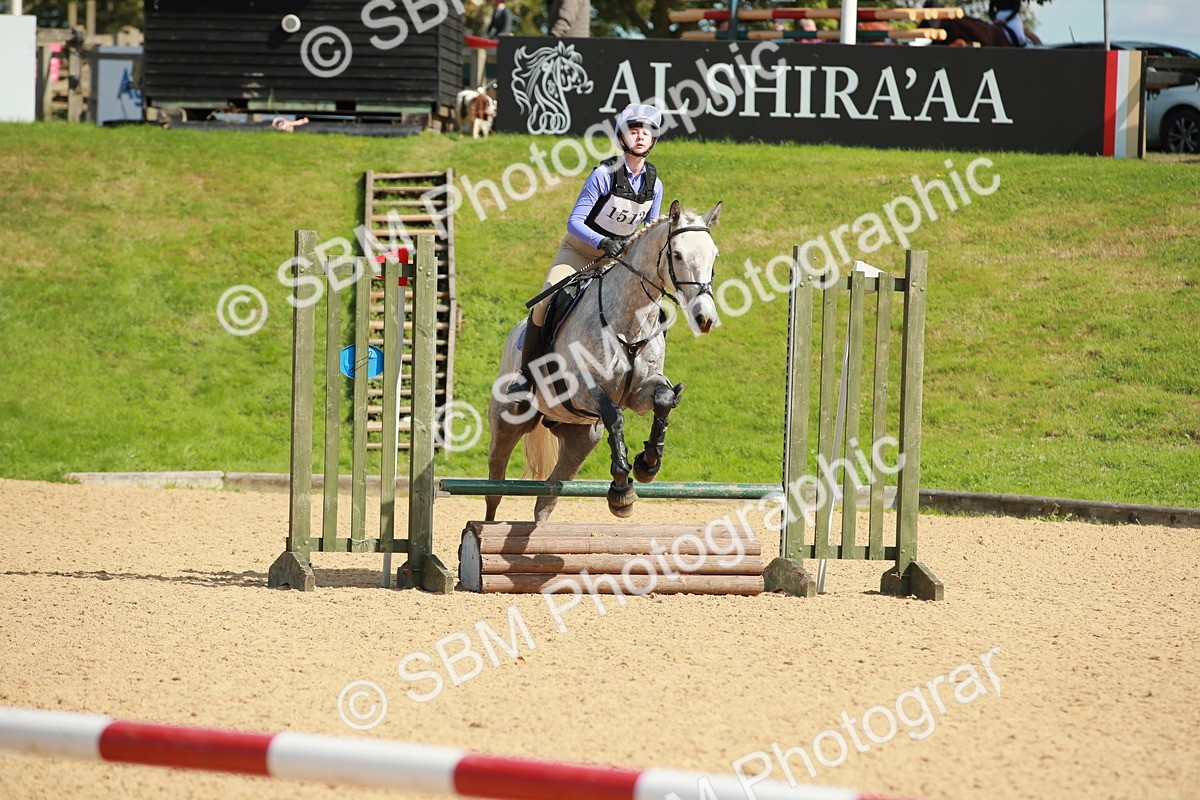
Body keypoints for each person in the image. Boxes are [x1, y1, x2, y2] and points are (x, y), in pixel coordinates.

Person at [506, 103, 665, 397]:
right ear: (621, 139)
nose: (640, 136)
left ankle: (647, 373)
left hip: (616, 261)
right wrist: (602, 242)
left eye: (647, 132)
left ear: (653, 140)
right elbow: (574, 222)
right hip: (580, 252)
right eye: (633, 131)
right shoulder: (603, 175)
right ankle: (526, 375)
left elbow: (650, 230)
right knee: (546, 298)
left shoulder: (655, 186)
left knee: (653, 307)